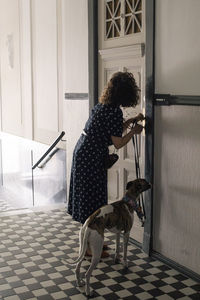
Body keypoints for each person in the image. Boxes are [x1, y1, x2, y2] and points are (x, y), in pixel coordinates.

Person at [67, 71, 144, 257]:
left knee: (92, 200)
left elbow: (112, 132)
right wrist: (134, 132)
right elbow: (117, 142)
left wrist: (132, 121)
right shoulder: (114, 112)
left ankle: (94, 242)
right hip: (90, 158)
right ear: (126, 94)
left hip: (84, 153)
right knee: (91, 202)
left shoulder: (104, 107)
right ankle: (89, 248)